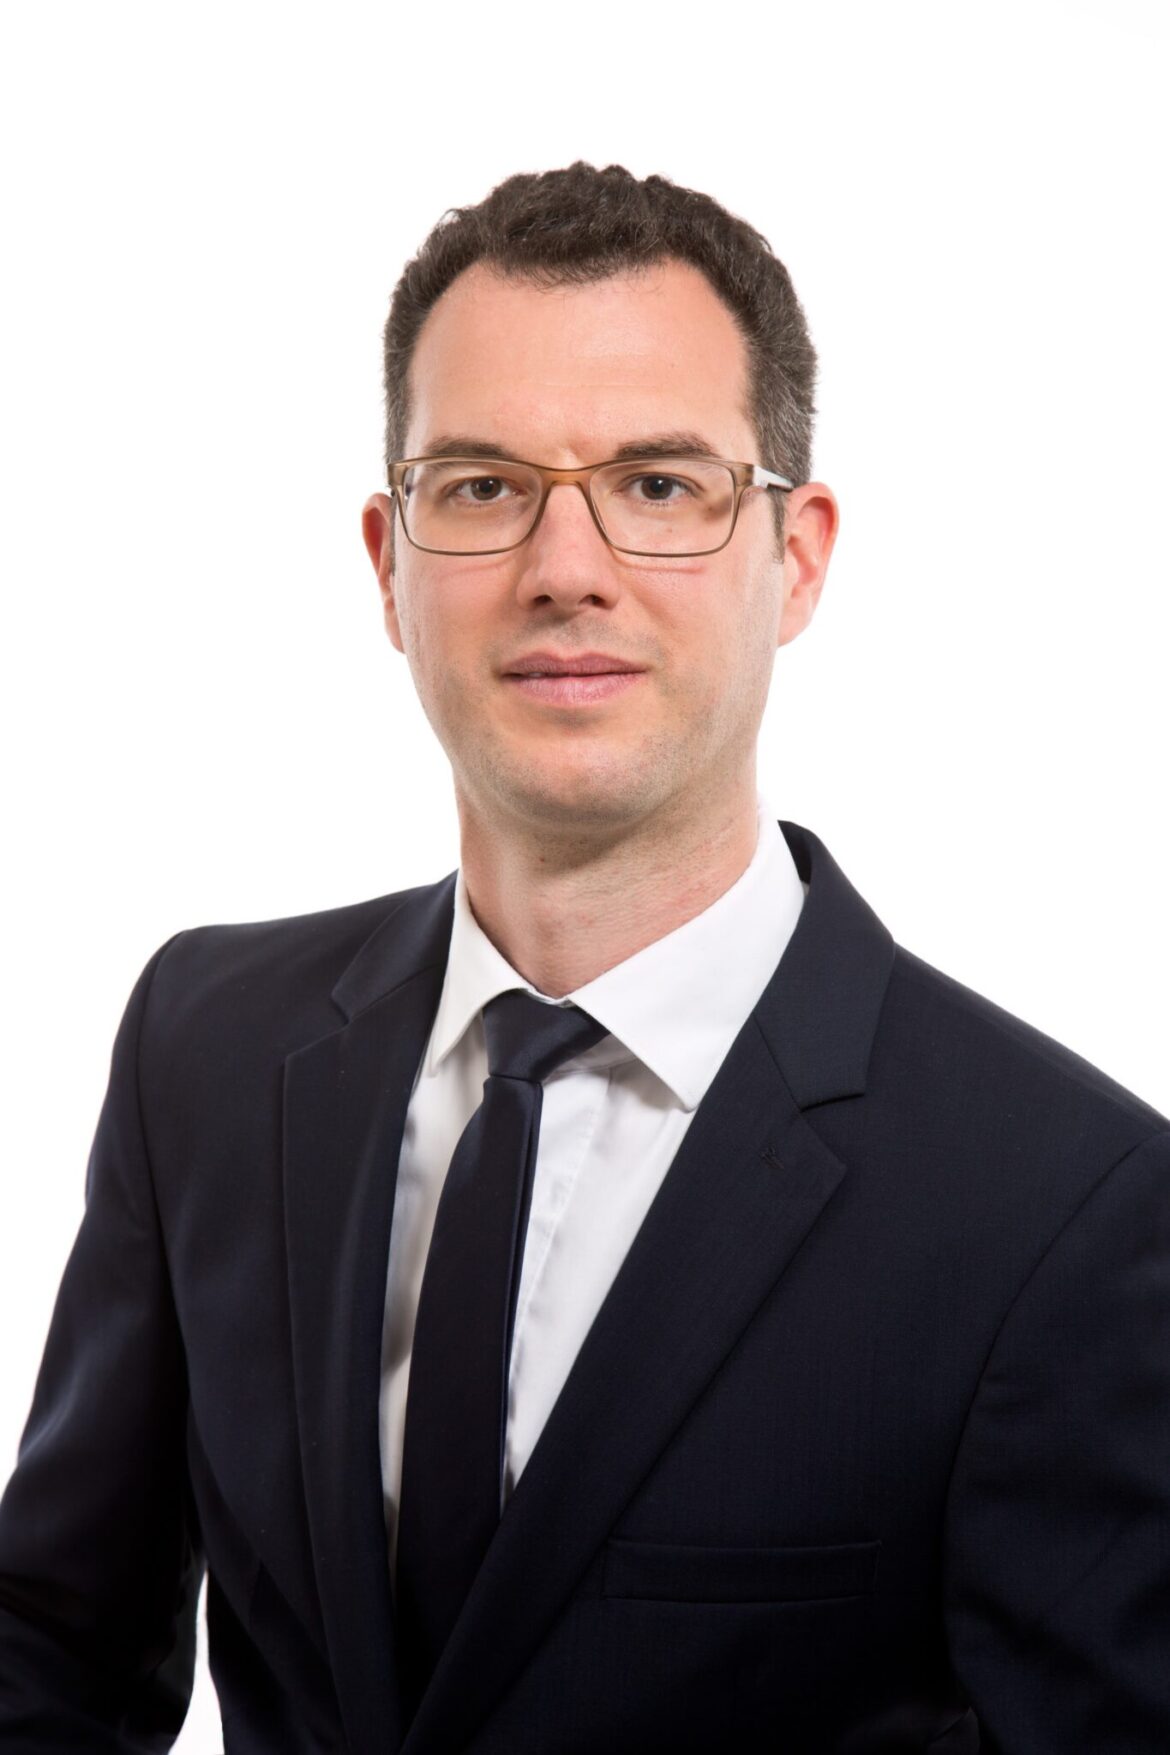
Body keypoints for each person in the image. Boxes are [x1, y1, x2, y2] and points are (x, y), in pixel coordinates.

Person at [0, 162, 1167, 1755]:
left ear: (796, 557)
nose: (565, 565)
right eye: (483, 485)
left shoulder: (1066, 1208)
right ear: (388, 563)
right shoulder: (204, 1047)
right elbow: (52, 1654)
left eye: (659, 485)